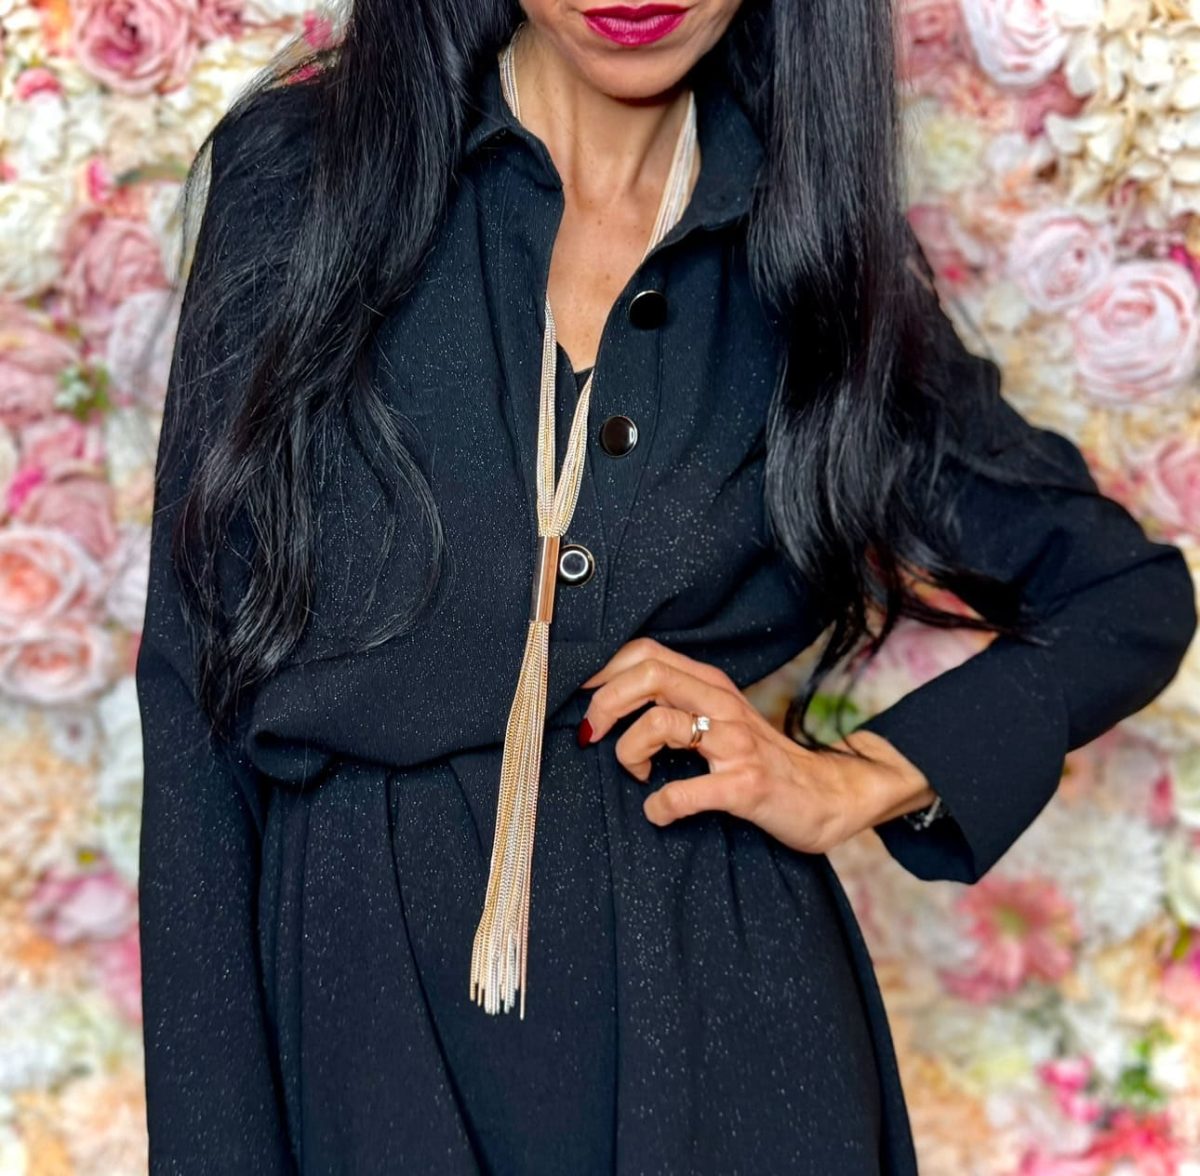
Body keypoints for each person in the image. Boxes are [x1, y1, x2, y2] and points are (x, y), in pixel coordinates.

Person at [134, 0, 1198, 1172]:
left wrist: (856, 778)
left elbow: (1126, 597)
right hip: (366, 1030)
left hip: (726, 1030)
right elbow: (193, 712)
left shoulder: (807, 248)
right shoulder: (311, 177)